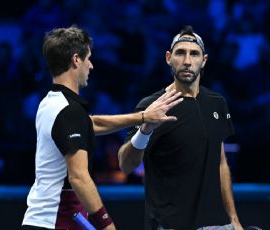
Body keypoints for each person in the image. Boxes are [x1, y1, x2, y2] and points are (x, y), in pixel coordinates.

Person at [21, 25, 183, 230]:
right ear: (76, 59)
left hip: (47, 220)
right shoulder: (68, 111)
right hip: (54, 222)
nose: (91, 65)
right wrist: (107, 225)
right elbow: (78, 177)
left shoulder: (50, 104)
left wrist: (143, 117)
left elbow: (91, 123)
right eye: (88, 58)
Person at [118, 25, 243, 230]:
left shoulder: (217, 102)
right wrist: (145, 129)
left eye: (194, 54)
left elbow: (220, 162)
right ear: (169, 58)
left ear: (204, 61)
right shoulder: (152, 105)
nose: (187, 61)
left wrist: (234, 220)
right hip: (169, 225)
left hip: (217, 225)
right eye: (180, 53)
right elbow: (125, 164)